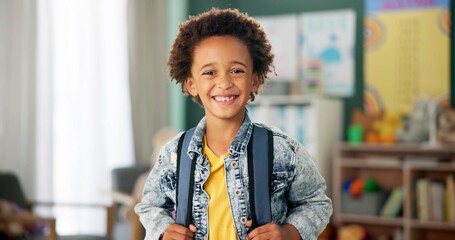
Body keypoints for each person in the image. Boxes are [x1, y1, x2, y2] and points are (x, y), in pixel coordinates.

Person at [135, 8, 332, 240]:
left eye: (237, 70)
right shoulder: (173, 154)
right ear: (191, 84)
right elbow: (149, 205)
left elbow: (316, 202)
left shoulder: (283, 150)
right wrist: (163, 231)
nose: (224, 82)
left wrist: (289, 233)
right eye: (209, 72)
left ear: (255, 80)